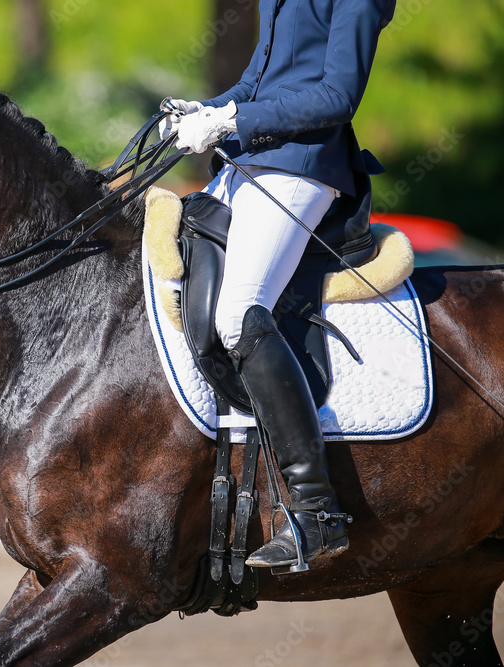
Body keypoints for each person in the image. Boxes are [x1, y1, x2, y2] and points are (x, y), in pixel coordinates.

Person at [161, 0, 397, 569]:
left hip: (302, 165)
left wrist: (230, 122)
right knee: (167, 270)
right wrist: (208, 109)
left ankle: (316, 511)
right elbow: (257, 81)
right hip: (247, 160)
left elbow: (337, 96)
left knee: (239, 313)